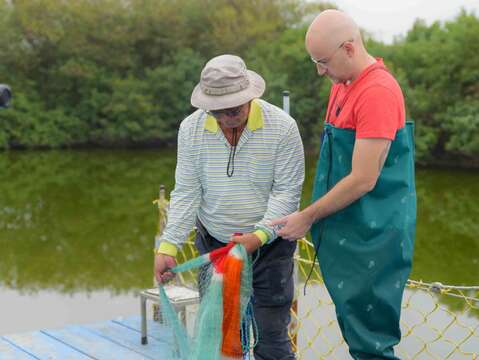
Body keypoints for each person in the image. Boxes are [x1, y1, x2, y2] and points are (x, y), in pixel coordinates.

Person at [270, 10, 416, 360]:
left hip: (373, 235)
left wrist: (307, 216)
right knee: (354, 332)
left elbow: (364, 179)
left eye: (323, 61)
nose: (319, 71)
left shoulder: (378, 92)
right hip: (347, 231)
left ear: (349, 48)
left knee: (372, 345)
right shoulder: (342, 83)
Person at [154, 54, 305, 360]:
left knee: (272, 336)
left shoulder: (283, 127)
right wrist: (168, 247)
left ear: (250, 97)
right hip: (216, 247)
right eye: (216, 112)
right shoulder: (190, 129)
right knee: (222, 336)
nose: (225, 119)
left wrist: (260, 235)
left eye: (233, 110)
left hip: (269, 247)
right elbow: (186, 191)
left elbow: (288, 192)